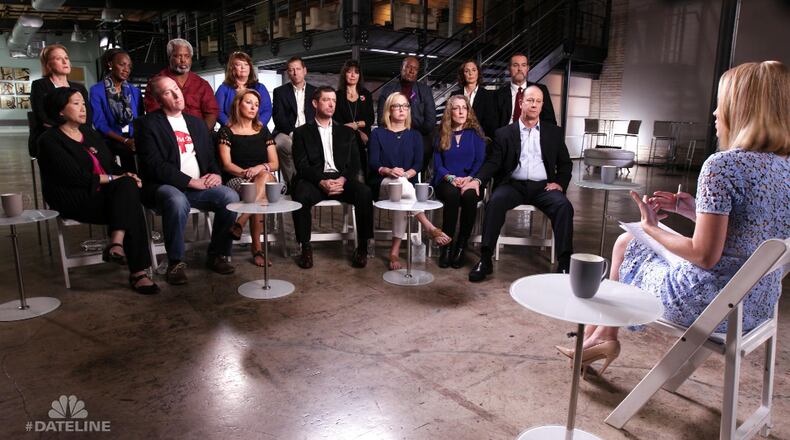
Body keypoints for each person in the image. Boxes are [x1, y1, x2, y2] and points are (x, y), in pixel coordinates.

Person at [555, 61, 790, 377]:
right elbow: (751, 233)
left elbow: (705, 256)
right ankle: (601, 337)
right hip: (757, 303)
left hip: (711, 303)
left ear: (742, 111)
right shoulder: (784, 167)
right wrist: (693, 211)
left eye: (722, 105)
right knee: (630, 240)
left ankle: (603, 337)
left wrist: (651, 227)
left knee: (629, 242)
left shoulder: (723, 166)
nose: (716, 114)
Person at [37, 88, 158, 295]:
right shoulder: (49, 140)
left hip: (107, 195)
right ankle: (137, 271)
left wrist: (128, 175)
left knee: (128, 190)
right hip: (75, 198)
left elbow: (111, 166)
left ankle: (117, 245)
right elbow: (74, 177)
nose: (83, 108)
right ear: (60, 111)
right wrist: (116, 179)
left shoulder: (90, 134)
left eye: (83, 103)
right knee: (129, 203)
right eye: (75, 103)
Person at [135, 76, 239, 285]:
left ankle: (216, 254)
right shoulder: (146, 124)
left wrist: (215, 174)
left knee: (229, 196)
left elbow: (210, 157)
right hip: (165, 187)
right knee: (177, 200)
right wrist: (191, 182)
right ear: (158, 99)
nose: (176, 95)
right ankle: (175, 262)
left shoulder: (196, 123)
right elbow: (154, 165)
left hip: (199, 187)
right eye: (167, 92)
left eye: (176, 89)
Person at [466, 85, 574, 282]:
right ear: (521, 102)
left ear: (542, 106)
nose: (533, 104)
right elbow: (493, 162)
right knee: (494, 203)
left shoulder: (553, 133)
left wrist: (559, 183)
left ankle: (564, 262)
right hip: (513, 185)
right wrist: (477, 180)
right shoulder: (504, 133)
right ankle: (485, 259)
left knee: (564, 206)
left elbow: (565, 164)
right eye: (530, 100)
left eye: (538, 101)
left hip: (544, 187)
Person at [291, 86, 374, 269]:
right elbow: (302, 166)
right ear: (315, 103)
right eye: (326, 100)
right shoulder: (301, 132)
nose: (331, 104)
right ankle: (305, 246)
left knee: (365, 192)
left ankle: (362, 247)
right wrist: (322, 181)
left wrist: (343, 180)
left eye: (334, 100)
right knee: (300, 194)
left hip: (341, 180)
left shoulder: (347, 132)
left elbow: (354, 164)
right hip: (316, 181)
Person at [369, 92, 451, 271]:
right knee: (401, 187)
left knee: (402, 192)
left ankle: (394, 251)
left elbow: (418, 164)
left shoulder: (415, 136)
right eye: (397, 106)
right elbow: (373, 162)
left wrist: (405, 175)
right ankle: (429, 227)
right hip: (383, 182)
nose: (402, 110)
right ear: (389, 110)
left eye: (405, 106)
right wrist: (390, 171)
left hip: (404, 187)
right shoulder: (377, 134)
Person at [218, 89, 278, 267]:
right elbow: (226, 165)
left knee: (264, 177)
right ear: (238, 104)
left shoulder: (263, 130)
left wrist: (260, 168)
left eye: (257, 105)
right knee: (259, 192)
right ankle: (257, 249)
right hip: (238, 178)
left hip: (264, 176)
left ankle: (241, 221)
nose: (254, 107)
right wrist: (247, 173)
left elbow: (274, 163)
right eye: (249, 102)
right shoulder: (226, 131)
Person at [432, 95, 486, 269]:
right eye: (456, 108)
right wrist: (451, 178)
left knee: (470, 196)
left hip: (470, 180)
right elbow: (438, 164)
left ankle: (461, 246)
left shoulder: (475, 133)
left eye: (464, 107)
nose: (461, 111)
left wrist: (469, 179)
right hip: (446, 180)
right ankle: (446, 246)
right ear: (450, 111)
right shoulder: (441, 133)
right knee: (452, 194)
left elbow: (480, 161)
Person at [30, 44, 91, 157]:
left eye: (66, 58)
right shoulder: (39, 85)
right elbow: (41, 116)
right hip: (50, 135)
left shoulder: (80, 88)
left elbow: (87, 117)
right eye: (58, 58)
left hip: (78, 134)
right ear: (48, 65)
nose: (65, 62)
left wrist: (78, 133)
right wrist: (68, 131)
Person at [376, 56, 437, 169]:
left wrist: (412, 134)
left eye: (415, 68)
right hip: (393, 134)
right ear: (401, 68)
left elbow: (431, 121)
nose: (411, 71)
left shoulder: (425, 91)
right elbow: (381, 119)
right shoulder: (388, 90)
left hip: (419, 135)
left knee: (425, 147)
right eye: (408, 67)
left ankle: (416, 177)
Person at [143, 38, 218, 130]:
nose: (183, 60)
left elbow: (211, 113)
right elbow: (153, 114)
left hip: (199, 134)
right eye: (178, 56)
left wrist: (201, 134)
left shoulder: (202, 84)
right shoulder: (156, 83)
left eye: (187, 56)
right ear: (169, 57)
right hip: (168, 135)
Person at [90, 49, 144, 172]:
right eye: (122, 64)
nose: (126, 69)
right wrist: (125, 141)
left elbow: (140, 119)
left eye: (129, 66)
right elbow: (99, 123)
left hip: (133, 137)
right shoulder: (96, 90)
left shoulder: (134, 91)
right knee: (125, 154)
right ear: (110, 65)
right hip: (111, 138)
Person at [271, 56, 317, 186]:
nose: (295, 73)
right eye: (291, 70)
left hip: (309, 132)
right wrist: (292, 133)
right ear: (288, 73)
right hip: (287, 132)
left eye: (298, 69)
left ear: (305, 71)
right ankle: (292, 183)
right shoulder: (280, 92)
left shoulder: (315, 92)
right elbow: (278, 117)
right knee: (280, 144)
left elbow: (318, 116)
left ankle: (309, 182)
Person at [335, 60, 375, 180]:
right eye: (349, 72)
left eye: (356, 72)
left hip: (364, 134)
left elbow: (370, 119)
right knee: (354, 138)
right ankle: (357, 177)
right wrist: (356, 130)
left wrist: (355, 125)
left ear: (359, 75)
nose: (353, 75)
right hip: (344, 134)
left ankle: (361, 177)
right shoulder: (337, 95)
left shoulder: (366, 94)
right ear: (344, 74)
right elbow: (336, 121)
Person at [494, 53, 556, 130]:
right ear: (509, 69)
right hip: (508, 136)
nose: (520, 69)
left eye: (523, 65)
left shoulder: (541, 90)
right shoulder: (498, 94)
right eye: (515, 65)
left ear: (527, 68)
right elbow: (494, 125)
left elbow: (550, 120)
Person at [215, 51, 272, 128]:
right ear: (232, 68)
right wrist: (231, 126)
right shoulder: (223, 88)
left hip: (257, 129)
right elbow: (218, 111)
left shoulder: (260, 88)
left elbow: (267, 110)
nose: (243, 67)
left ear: (250, 67)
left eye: (246, 64)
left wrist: (257, 126)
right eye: (238, 65)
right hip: (231, 130)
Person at [451, 59, 497, 138]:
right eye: (466, 71)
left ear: (478, 73)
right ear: (463, 74)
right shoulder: (454, 95)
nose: (470, 73)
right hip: (457, 136)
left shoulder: (488, 95)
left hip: (480, 137)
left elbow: (490, 123)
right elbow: (450, 119)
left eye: (473, 70)